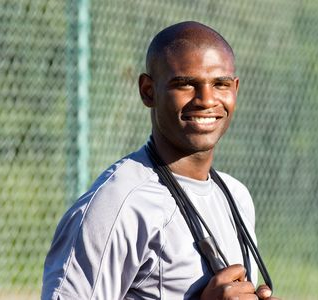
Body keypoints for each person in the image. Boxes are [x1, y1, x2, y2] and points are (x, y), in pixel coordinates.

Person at [42, 21, 280, 300]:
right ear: (148, 91)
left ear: (235, 89)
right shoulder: (118, 205)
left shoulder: (236, 196)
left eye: (220, 84)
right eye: (186, 84)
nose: (206, 99)